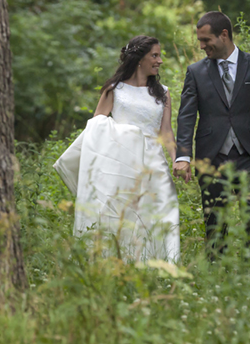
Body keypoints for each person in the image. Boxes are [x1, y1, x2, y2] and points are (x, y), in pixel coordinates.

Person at [54, 35, 180, 262]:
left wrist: (177, 159)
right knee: (125, 216)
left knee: (162, 215)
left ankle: (163, 268)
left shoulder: (163, 92)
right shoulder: (115, 89)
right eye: (155, 55)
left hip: (155, 163)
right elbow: (96, 127)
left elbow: (166, 132)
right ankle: (124, 265)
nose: (160, 60)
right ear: (139, 59)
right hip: (122, 163)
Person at [173, 12, 250, 262]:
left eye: (205, 39)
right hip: (212, 158)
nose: (201, 46)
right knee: (215, 224)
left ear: (224, 35)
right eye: (199, 40)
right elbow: (186, 117)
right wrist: (183, 155)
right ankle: (215, 279)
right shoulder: (196, 72)